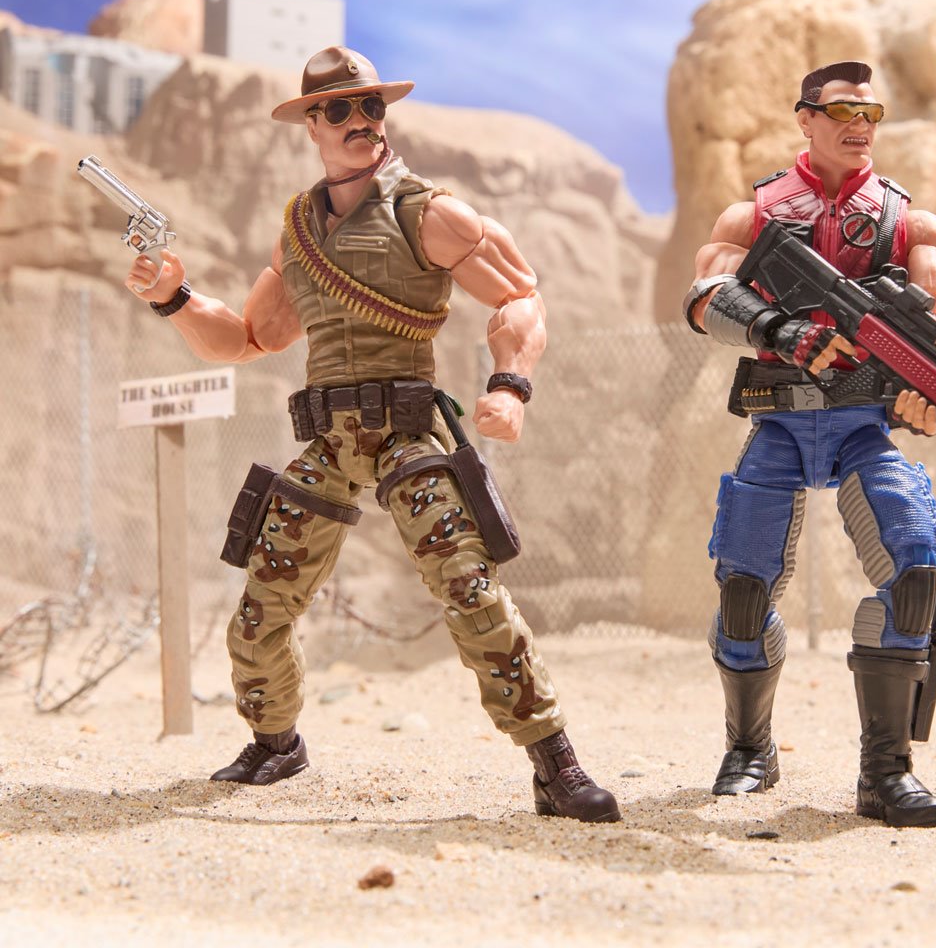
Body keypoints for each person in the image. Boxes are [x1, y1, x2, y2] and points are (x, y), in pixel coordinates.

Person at [125, 45, 619, 823]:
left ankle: (555, 763)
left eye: (371, 106)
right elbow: (248, 338)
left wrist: (510, 385)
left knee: (470, 589)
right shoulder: (299, 231)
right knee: (260, 607)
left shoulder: (429, 212)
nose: (361, 120)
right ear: (311, 124)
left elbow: (520, 298)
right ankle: (276, 742)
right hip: (330, 441)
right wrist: (174, 296)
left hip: (405, 435)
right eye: (341, 109)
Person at [683, 60, 936, 828]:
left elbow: (935, 330)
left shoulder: (914, 227)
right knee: (743, 593)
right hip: (779, 414)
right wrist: (781, 330)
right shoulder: (753, 217)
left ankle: (885, 772)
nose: (859, 125)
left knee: (914, 568)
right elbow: (704, 299)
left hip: (864, 422)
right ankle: (749, 748)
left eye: (872, 113)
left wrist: (925, 390)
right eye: (841, 112)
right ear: (805, 118)